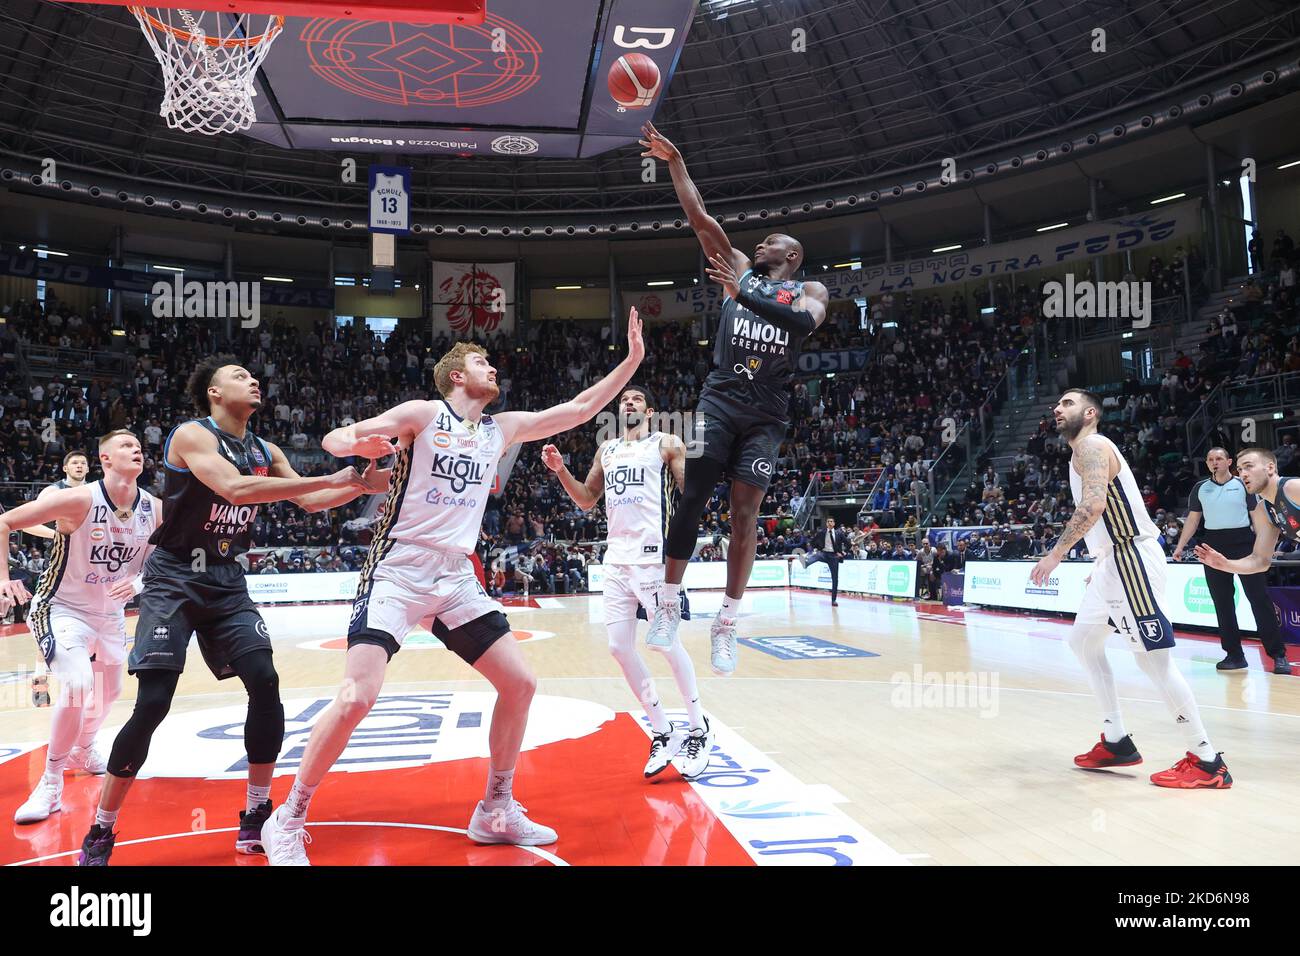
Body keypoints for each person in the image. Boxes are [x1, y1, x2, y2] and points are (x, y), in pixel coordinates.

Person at [259, 310, 645, 865]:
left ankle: (494, 808)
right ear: (457, 377)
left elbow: (579, 410)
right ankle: (288, 816)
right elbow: (335, 436)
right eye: (482, 361)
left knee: (519, 682)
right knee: (356, 697)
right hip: (398, 570)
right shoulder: (422, 413)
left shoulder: (501, 428)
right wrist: (358, 445)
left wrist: (630, 360)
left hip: (455, 575)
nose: (494, 367)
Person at [74, 357, 380, 865]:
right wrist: (333, 476)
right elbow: (236, 489)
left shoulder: (266, 449)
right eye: (239, 376)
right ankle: (102, 829)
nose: (253, 380)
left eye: (253, 375)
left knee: (264, 679)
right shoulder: (191, 437)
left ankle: (255, 814)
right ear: (214, 393)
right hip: (173, 578)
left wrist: (361, 484)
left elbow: (310, 502)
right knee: (153, 703)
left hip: (226, 580)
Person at [638, 121, 830, 675]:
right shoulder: (739, 270)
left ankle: (727, 621)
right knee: (693, 494)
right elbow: (701, 219)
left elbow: (800, 323)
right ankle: (670, 603)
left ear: (791, 257)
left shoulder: (810, 290)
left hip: (767, 413)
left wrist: (744, 290)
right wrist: (675, 161)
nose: (760, 243)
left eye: (773, 241)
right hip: (720, 401)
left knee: (745, 513)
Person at [1031, 389, 1230, 789]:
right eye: (1057, 404)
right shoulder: (1082, 450)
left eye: (1067, 403)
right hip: (1112, 562)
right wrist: (1100, 558)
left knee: (1153, 662)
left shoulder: (1091, 444)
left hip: (1131, 559)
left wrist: (1056, 555)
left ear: (1089, 413)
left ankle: (1207, 761)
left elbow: (1092, 507)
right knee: (1083, 642)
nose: (1057, 408)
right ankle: (1117, 740)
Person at [541, 384, 712, 779]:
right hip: (616, 560)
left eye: (636, 399)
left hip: (653, 558)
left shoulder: (666, 443)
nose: (628, 403)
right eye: (624, 400)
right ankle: (662, 730)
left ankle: (698, 727)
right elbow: (586, 499)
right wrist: (561, 470)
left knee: (666, 643)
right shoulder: (608, 450)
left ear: (650, 411)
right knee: (619, 647)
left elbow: (692, 494)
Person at [0, 432, 161, 824]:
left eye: (138, 444)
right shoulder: (78, 499)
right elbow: (4, 521)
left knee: (112, 692)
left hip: (109, 615)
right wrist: (3, 578)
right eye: (125, 445)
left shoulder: (154, 508)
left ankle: (84, 748)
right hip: (61, 608)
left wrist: (138, 583)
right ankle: (51, 781)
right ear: (104, 459)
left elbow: (159, 561)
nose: (136, 448)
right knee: (76, 684)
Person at [1172, 448, 1290, 673]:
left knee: (1259, 600)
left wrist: (1264, 544)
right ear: (1207, 464)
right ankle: (1234, 655)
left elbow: (1256, 515)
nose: (1214, 462)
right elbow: (1193, 519)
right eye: (1210, 459)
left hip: (1244, 542)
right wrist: (1179, 546)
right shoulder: (1200, 488)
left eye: (1219, 459)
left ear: (1229, 462)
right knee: (1223, 603)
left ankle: (1278, 655)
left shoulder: (1243, 485)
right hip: (1213, 544)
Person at [791, 517, 849, 606]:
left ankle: (833, 600)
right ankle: (806, 563)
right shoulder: (822, 532)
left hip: (834, 556)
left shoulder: (839, 533)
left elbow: (847, 543)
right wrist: (813, 549)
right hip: (824, 553)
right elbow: (812, 542)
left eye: (831, 521)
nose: (830, 523)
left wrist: (843, 553)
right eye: (828, 521)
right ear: (826, 523)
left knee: (835, 579)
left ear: (834, 523)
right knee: (817, 555)